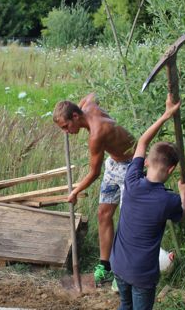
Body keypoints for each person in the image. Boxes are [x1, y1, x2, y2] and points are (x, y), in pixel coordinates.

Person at [91, 94, 185, 310]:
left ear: (147, 163)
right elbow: (183, 215)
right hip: (143, 274)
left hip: (119, 266)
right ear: (172, 171)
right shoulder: (169, 200)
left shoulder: (132, 180)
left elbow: (141, 143)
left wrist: (164, 115)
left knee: (124, 307)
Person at [53, 94, 136, 287]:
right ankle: (104, 267)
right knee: (103, 214)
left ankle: (123, 274)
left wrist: (74, 192)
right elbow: (92, 95)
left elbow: (93, 173)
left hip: (131, 167)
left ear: (75, 117)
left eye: (66, 127)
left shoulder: (97, 134)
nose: (66, 132)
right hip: (114, 163)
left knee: (127, 221)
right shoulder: (86, 106)